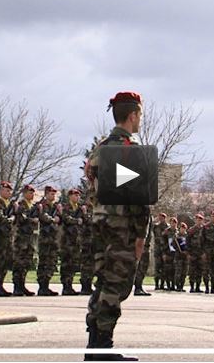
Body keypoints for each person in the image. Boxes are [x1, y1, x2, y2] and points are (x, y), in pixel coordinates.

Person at [83, 91, 150, 361]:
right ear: (133, 115)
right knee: (117, 286)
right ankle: (102, 349)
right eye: (140, 116)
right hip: (121, 227)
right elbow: (138, 198)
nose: (140, 121)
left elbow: (91, 189)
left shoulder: (99, 149)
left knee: (103, 283)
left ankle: (94, 346)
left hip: (100, 224)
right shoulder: (128, 150)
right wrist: (140, 236)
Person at [12, 184, 39, 296]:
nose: (32, 195)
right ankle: (17, 287)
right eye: (29, 192)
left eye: (33, 193)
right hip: (21, 239)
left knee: (27, 263)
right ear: (24, 193)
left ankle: (22, 285)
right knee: (19, 263)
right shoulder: (20, 205)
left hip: (30, 239)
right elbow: (22, 219)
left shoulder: (33, 206)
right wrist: (33, 220)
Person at [0, 181, 17, 297]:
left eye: (10, 191)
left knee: (6, 261)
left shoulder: (11, 204)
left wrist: (13, 215)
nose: (9, 193)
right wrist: (10, 218)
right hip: (0, 237)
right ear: (1, 191)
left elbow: (15, 218)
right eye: (7, 190)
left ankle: (1, 284)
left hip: (9, 237)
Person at [37, 185, 62, 296]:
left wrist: (59, 215)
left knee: (51, 262)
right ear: (46, 194)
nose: (53, 196)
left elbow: (61, 219)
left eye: (54, 194)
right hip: (45, 239)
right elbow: (43, 217)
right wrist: (53, 219)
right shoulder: (42, 205)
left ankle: (46, 285)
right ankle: (42, 287)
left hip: (53, 238)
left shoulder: (56, 206)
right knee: (44, 262)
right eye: (51, 194)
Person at [61, 188, 84, 296]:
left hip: (76, 240)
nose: (77, 197)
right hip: (67, 241)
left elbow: (84, 220)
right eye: (75, 195)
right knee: (67, 263)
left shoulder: (79, 208)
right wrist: (76, 220)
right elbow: (66, 219)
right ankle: (66, 286)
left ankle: (70, 285)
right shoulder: (66, 207)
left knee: (73, 263)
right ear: (70, 196)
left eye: (78, 195)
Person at [202, 211, 214, 294]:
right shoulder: (205, 227)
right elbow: (201, 240)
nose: (213, 218)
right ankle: (207, 287)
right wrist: (203, 252)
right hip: (207, 252)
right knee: (206, 270)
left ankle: (213, 287)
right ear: (210, 217)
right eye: (212, 216)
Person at [187, 213, 206, 293]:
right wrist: (188, 253)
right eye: (198, 219)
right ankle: (192, 287)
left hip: (201, 253)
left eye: (200, 220)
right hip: (193, 253)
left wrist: (204, 253)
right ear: (195, 220)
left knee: (200, 270)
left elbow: (206, 242)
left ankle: (198, 287)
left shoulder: (204, 230)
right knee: (192, 271)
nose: (199, 221)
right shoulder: (191, 230)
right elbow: (187, 242)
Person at [152, 213, 169, 290]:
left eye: (162, 218)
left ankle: (162, 284)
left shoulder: (168, 227)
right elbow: (149, 227)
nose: (161, 219)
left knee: (164, 267)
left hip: (165, 250)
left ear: (165, 218)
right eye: (160, 217)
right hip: (158, 249)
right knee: (157, 267)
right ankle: (156, 284)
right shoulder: (156, 226)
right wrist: (154, 220)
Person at [162, 217, 179, 291]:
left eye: (175, 223)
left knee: (174, 270)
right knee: (167, 270)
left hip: (176, 254)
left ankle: (173, 285)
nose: (173, 224)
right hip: (168, 253)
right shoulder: (166, 232)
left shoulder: (178, 232)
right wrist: (164, 254)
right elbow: (162, 243)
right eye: (172, 222)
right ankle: (168, 285)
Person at [174, 222, 189, 292]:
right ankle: (177, 286)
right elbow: (173, 245)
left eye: (184, 228)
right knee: (178, 272)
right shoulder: (176, 236)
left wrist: (187, 252)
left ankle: (182, 286)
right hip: (178, 256)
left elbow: (190, 245)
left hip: (185, 257)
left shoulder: (188, 236)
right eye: (181, 228)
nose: (183, 230)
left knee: (184, 272)